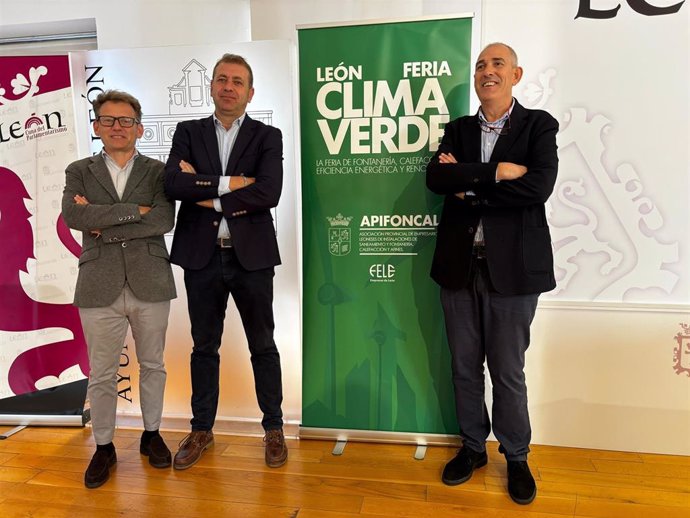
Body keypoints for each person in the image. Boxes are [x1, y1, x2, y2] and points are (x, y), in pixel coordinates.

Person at [426, 43, 558, 505]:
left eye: (497, 64)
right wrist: (498, 171)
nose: (487, 71)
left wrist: (470, 185)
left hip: (514, 272)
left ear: (516, 74)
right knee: (463, 367)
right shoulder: (458, 129)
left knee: (507, 370)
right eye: (481, 65)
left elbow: (537, 187)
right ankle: (471, 447)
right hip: (459, 267)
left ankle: (516, 456)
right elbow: (436, 180)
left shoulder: (538, 125)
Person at [164, 53, 287, 470]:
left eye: (237, 81)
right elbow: (172, 183)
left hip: (250, 256)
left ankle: (274, 428)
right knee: (204, 346)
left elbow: (269, 192)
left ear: (250, 92)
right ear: (212, 86)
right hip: (201, 256)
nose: (228, 87)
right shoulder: (188, 131)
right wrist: (234, 184)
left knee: (263, 345)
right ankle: (202, 429)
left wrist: (206, 192)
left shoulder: (268, 136)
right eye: (221, 79)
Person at [62, 90, 177, 489]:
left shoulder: (159, 172)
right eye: (108, 120)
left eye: (125, 120)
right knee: (102, 373)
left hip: (150, 279)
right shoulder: (79, 170)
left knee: (153, 364)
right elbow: (74, 215)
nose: (116, 127)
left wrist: (103, 222)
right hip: (98, 282)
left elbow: (164, 219)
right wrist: (134, 212)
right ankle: (104, 446)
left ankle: (152, 434)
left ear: (139, 127)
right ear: (96, 127)